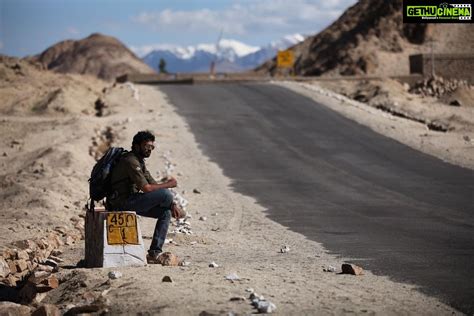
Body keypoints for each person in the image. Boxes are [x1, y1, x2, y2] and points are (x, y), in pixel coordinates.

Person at [106, 130, 184, 263]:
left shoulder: (139, 162)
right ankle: (154, 252)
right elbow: (147, 188)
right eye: (147, 146)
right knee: (165, 193)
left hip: (132, 200)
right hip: (121, 203)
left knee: (165, 213)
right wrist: (169, 184)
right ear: (137, 146)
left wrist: (172, 205)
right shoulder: (130, 161)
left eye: (152, 147)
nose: (150, 150)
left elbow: (153, 184)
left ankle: (154, 252)